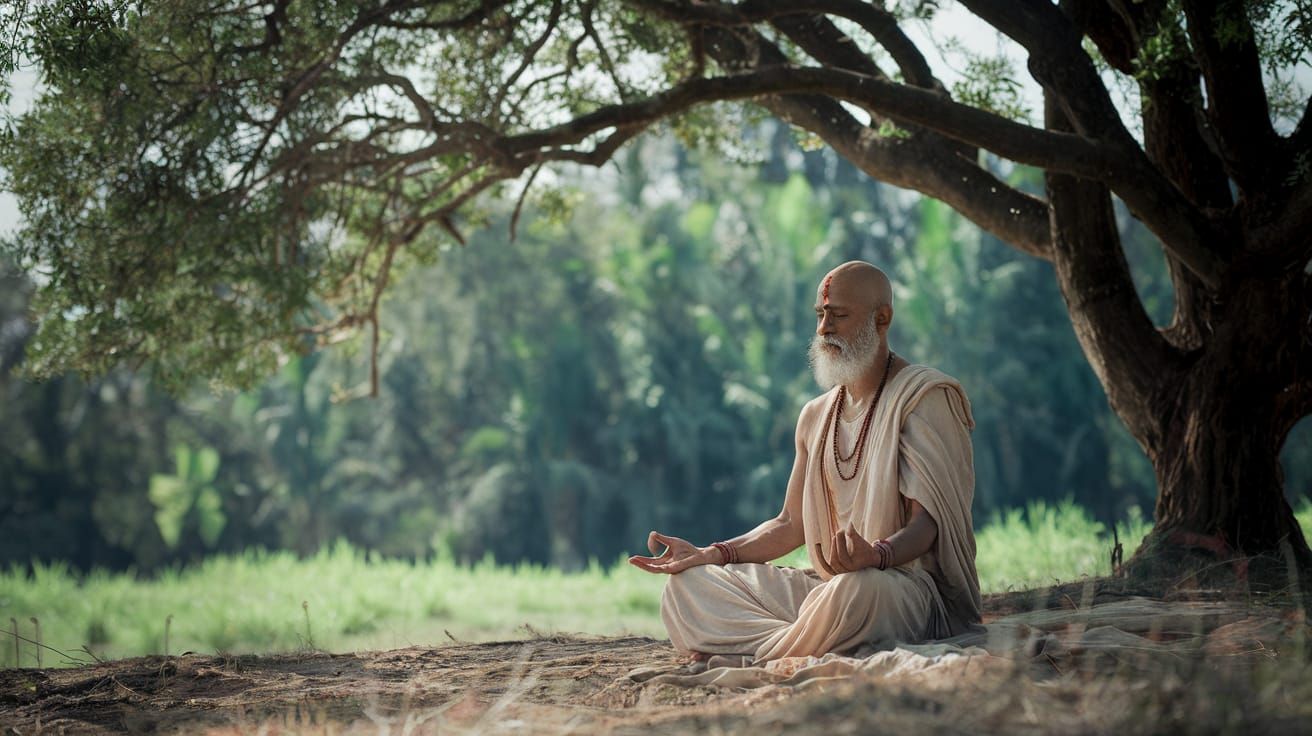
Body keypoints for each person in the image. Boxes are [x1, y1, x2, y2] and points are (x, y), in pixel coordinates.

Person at [629, 260, 981, 664]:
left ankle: (770, 648)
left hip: (902, 591)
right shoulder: (815, 415)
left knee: (856, 591)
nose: (823, 328)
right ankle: (804, 639)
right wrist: (710, 553)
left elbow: (927, 525)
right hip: (830, 590)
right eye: (820, 315)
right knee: (687, 586)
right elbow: (790, 524)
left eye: (838, 315)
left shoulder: (923, 396)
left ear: (882, 319)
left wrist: (877, 556)